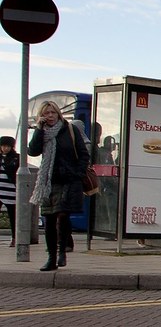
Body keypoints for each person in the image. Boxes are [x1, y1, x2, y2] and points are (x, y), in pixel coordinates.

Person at [28, 101, 89, 271]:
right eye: (46, 113)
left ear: (58, 114)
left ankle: (62, 251)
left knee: (62, 215)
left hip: (68, 180)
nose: (50, 116)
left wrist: (77, 173)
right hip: (48, 181)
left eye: (53, 112)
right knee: (49, 219)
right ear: (41, 116)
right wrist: (39, 129)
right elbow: (33, 151)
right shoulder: (42, 132)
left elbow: (83, 154)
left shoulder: (70, 129)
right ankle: (51, 257)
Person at [1, 135, 18, 247]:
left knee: (13, 216)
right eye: (3, 146)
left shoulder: (16, 158)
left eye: (7, 146)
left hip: (11, 190)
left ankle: (15, 238)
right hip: (0, 188)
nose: (5, 148)